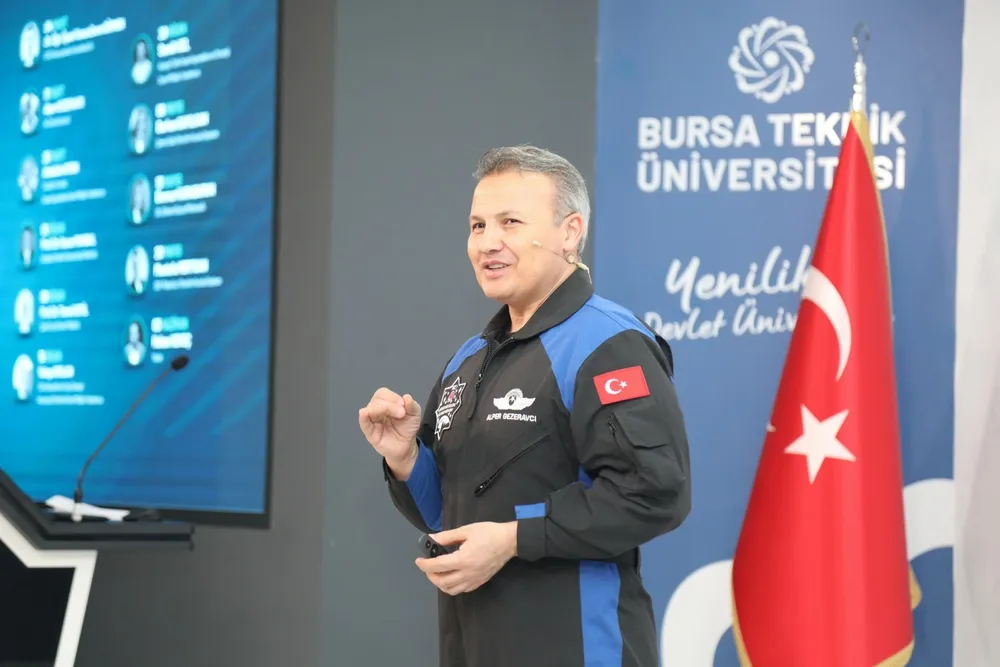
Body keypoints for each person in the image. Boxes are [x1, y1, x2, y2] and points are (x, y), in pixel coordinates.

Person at [359, 145, 691, 667]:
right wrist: (404, 458)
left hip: (581, 647)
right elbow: (448, 514)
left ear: (570, 232)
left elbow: (654, 493)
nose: (488, 242)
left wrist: (514, 539)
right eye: (477, 226)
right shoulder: (469, 358)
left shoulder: (607, 343)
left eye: (510, 222)